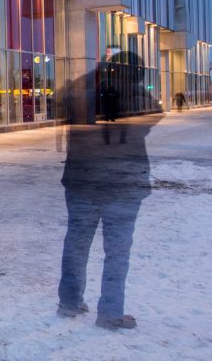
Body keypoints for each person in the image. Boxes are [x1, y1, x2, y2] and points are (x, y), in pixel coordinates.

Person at [58, 50, 163, 330]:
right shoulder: (138, 97)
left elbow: (62, 104)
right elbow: (153, 118)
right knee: (117, 251)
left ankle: (69, 303)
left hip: (82, 181)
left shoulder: (81, 92)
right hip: (123, 184)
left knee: (76, 243)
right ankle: (110, 313)